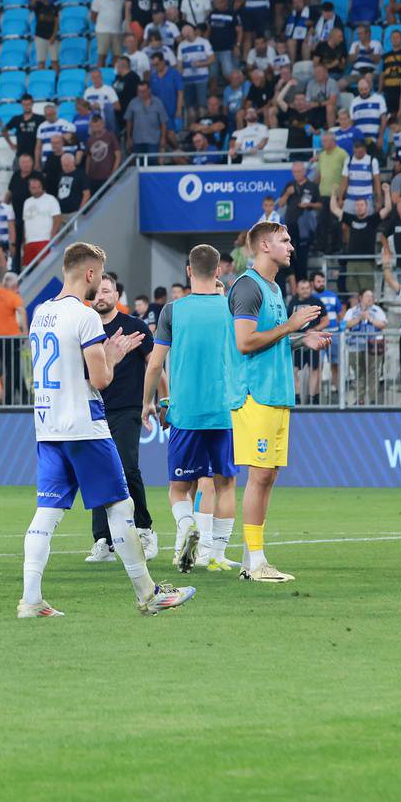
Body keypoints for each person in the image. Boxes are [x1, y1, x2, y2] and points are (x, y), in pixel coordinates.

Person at [21, 242, 195, 619]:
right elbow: (100, 379)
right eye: (99, 274)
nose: (100, 282)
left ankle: (31, 599)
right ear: (88, 274)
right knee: (120, 505)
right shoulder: (84, 317)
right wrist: (113, 357)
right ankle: (148, 594)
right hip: (84, 427)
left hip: (48, 427)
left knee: (46, 512)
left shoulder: (40, 313)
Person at [229, 220, 330, 582]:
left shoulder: (272, 288)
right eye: (284, 241)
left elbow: (270, 340)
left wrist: (303, 340)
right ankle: (256, 562)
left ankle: (249, 558)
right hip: (254, 393)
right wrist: (291, 326)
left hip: (275, 393)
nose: (291, 246)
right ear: (264, 246)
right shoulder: (248, 287)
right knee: (259, 476)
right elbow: (245, 342)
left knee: (268, 476)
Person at [145, 244, 242, 575]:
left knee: (179, 486)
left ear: (188, 271)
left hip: (185, 412)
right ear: (219, 272)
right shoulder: (232, 309)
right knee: (222, 483)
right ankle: (213, 553)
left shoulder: (173, 311)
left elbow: (155, 363)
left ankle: (187, 526)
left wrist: (149, 401)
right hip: (224, 412)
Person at [85, 272, 156, 564]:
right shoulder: (84, 326)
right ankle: (103, 540)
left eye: (106, 291)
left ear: (117, 295)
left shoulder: (134, 327)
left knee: (127, 468)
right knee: (96, 473)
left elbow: (155, 364)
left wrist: (153, 400)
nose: (101, 296)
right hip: (93, 408)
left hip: (127, 408)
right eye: (97, 292)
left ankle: (144, 529)